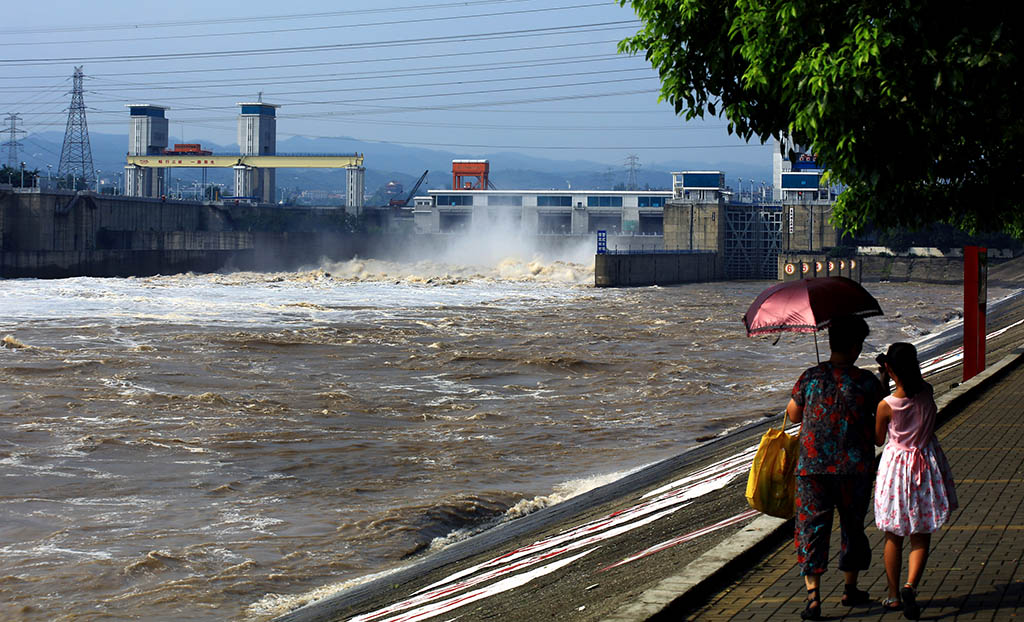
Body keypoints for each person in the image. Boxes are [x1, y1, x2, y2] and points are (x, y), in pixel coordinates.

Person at [786, 315, 883, 621]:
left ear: (830, 343)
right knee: (853, 527)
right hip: (855, 468)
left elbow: (793, 415)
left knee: (812, 528)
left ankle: (813, 597)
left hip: (813, 469)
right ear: (855, 346)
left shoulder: (811, 377)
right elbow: (881, 412)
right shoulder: (866, 381)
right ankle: (850, 589)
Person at [874, 342, 957, 619]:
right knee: (921, 533)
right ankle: (911, 585)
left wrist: (883, 382)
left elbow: (877, 439)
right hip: (926, 462)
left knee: (893, 534)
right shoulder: (927, 391)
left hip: (897, 468)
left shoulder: (886, 405)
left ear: (889, 368)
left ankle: (894, 595)